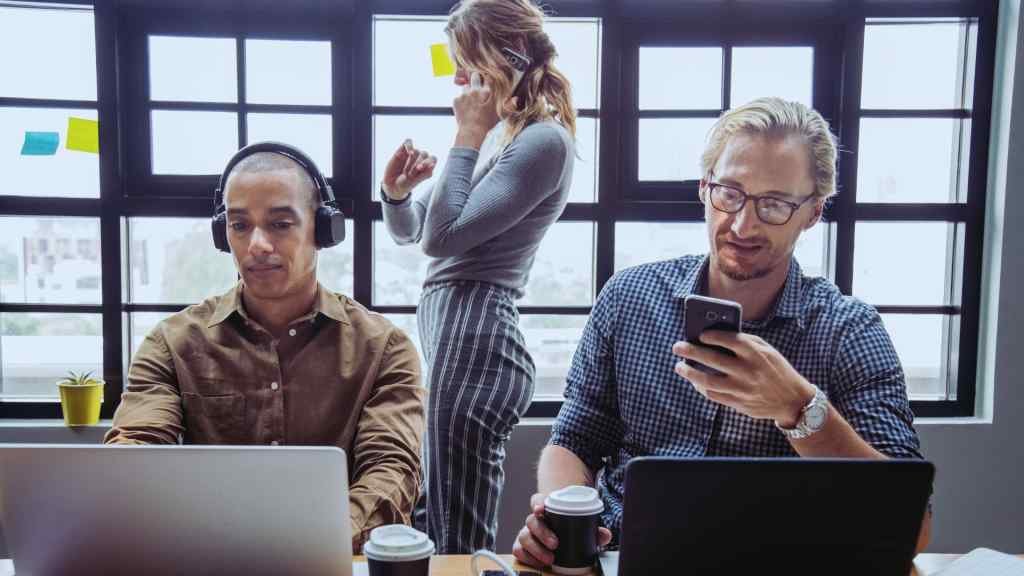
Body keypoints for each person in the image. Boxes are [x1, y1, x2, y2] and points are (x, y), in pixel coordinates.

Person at [512, 97, 933, 568]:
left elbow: (909, 528)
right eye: (729, 193)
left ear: (813, 212)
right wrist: (564, 517)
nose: (742, 224)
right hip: (624, 556)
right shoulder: (629, 298)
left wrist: (800, 409)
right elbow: (575, 439)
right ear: (703, 188)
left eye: (774, 204)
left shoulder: (848, 330)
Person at [104, 142, 425, 553]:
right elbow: (137, 452)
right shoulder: (171, 343)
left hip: (331, 560)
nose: (256, 244)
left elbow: (390, 473)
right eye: (239, 225)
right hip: (209, 559)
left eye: (280, 223)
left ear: (323, 229)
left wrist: (309, 543)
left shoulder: (386, 348)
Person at [379, 0, 577, 553]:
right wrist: (396, 194)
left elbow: (440, 240)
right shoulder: (501, 136)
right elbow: (416, 233)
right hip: (456, 333)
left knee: (456, 531)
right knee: (435, 515)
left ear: (505, 54)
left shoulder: (542, 140)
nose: (461, 80)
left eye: (467, 63)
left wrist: (464, 135)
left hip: (477, 335)